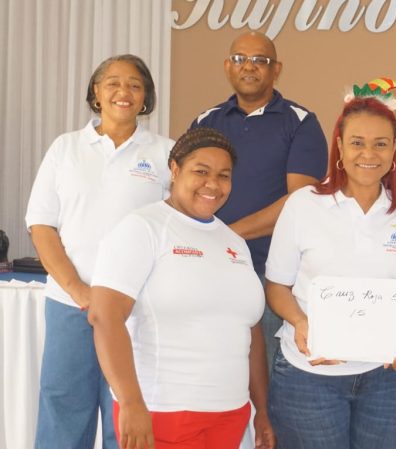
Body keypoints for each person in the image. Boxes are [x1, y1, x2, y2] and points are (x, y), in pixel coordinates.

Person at [265, 96, 396, 449]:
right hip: (310, 377)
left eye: (381, 144)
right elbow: (277, 286)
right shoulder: (304, 204)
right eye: (357, 142)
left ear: (394, 151)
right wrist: (300, 321)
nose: (368, 154)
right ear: (340, 146)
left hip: (390, 379)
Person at [88, 128, 275, 449]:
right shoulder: (142, 227)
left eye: (223, 175)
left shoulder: (234, 242)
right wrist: (131, 402)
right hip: (161, 411)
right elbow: (104, 317)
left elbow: (250, 331)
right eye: (201, 171)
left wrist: (261, 411)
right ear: (174, 170)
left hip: (230, 414)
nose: (212, 184)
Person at [25, 54, 173, 449]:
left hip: (135, 309)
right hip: (69, 305)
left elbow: (175, 229)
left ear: (146, 97)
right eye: (113, 83)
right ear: (96, 91)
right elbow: (41, 225)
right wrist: (78, 290)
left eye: (135, 85)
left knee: (126, 416)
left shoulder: (166, 153)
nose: (124, 92)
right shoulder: (65, 148)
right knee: (63, 410)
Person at [190, 31, 328, 371]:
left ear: (276, 69)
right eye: (240, 59)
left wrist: (227, 234)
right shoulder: (206, 122)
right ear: (228, 66)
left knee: (265, 379)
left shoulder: (301, 122)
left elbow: (300, 202)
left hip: (271, 278)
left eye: (260, 60)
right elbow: (187, 192)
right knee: (212, 370)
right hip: (209, 270)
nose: (249, 66)